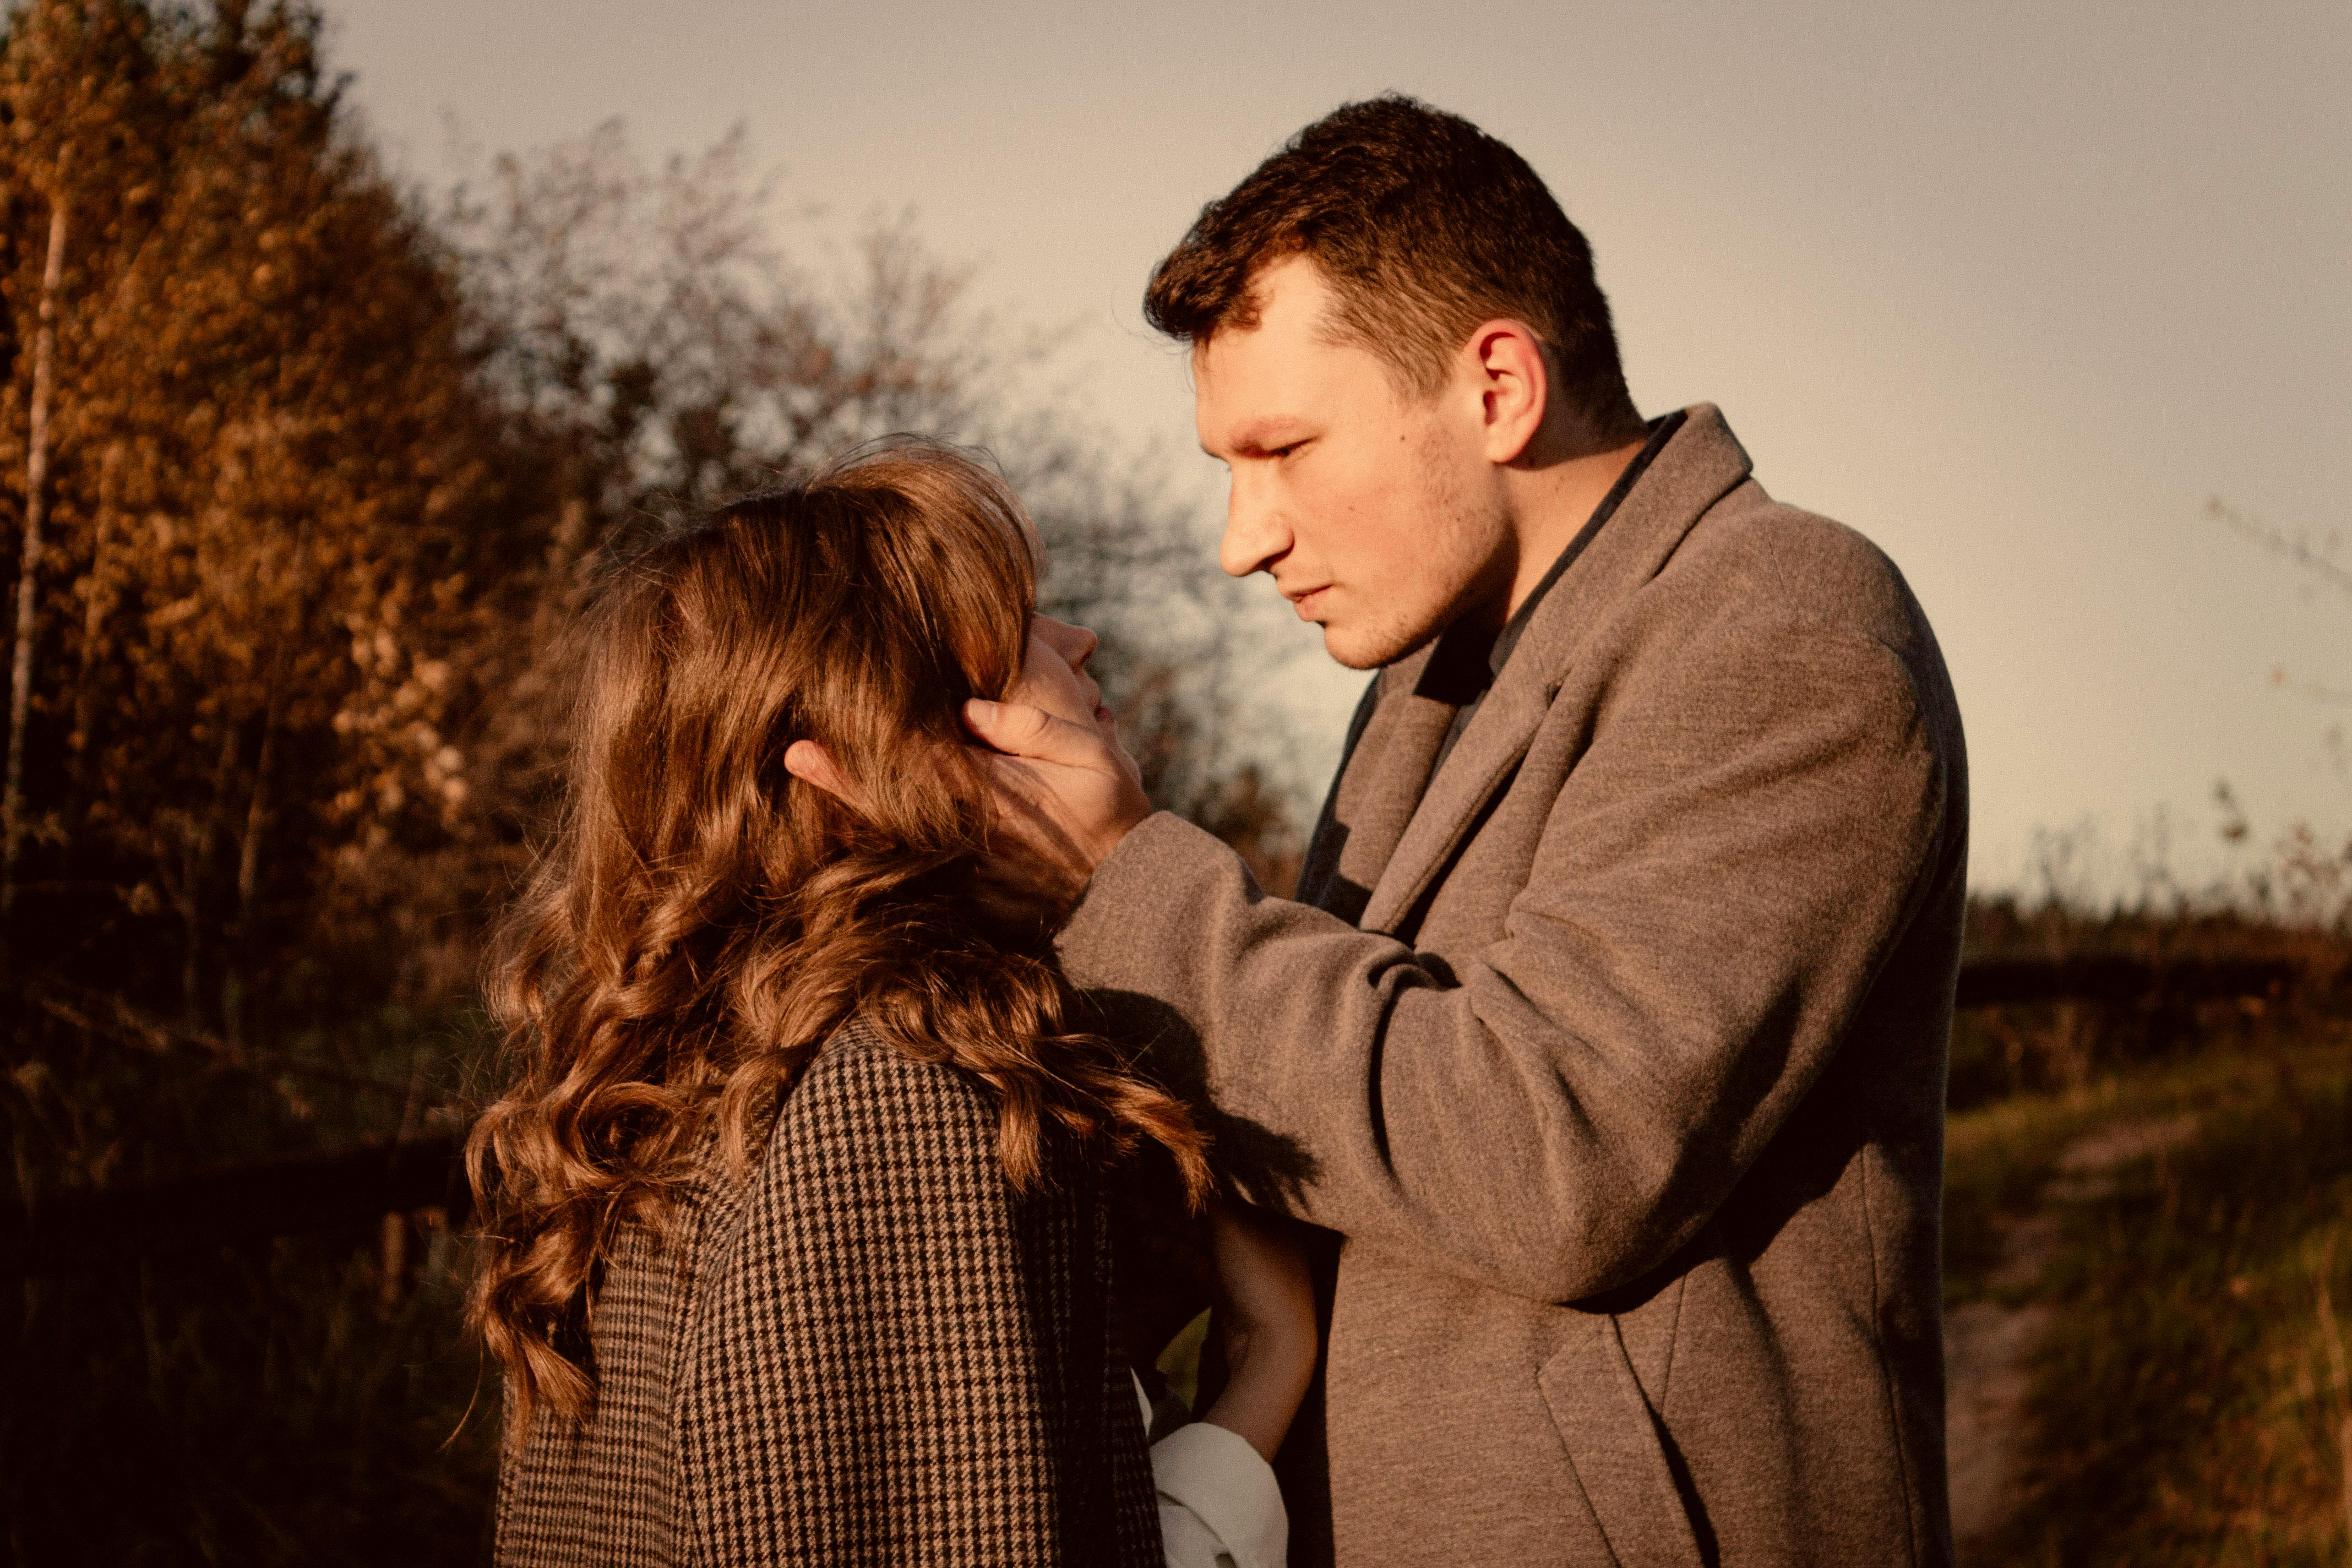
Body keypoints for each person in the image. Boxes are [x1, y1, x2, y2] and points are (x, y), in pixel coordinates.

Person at [956, 97, 1970, 1566]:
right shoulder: (1438, 678)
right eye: (1226, 469)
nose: (1244, 537)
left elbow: (1557, 1156)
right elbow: (1332, 1123)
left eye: (1286, 449)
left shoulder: (1785, 625)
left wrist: (1127, 877)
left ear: (1497, 384)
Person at [467, 443, 1317, 1568]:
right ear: (879, 759)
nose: (1076, 640)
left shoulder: (702, 1072)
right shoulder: (890, 1095)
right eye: (1012, 636)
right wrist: (1264, 1372)